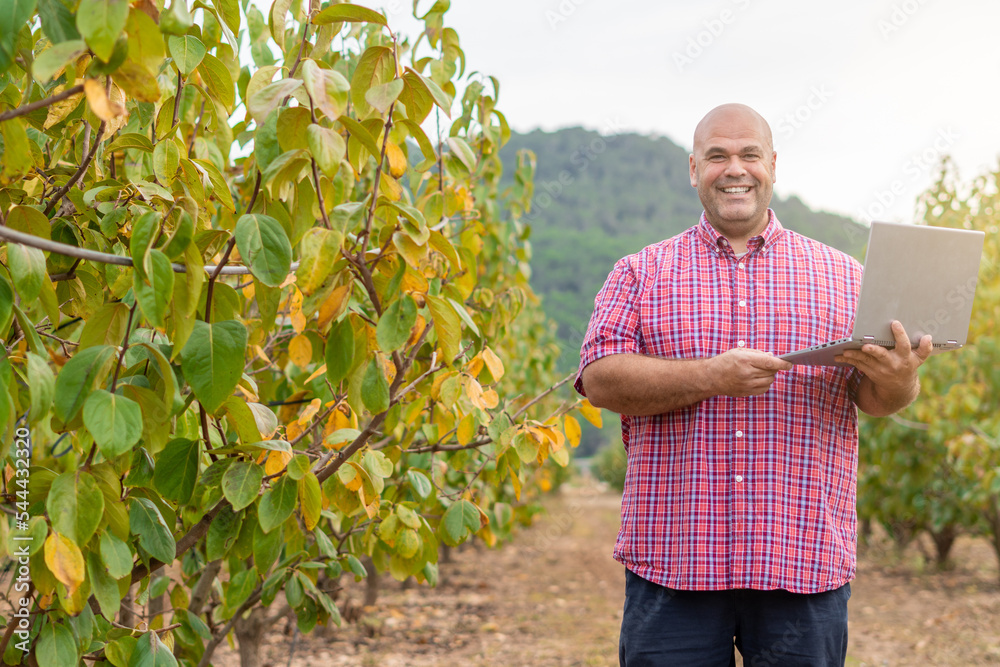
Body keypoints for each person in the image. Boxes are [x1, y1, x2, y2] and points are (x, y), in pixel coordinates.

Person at [575, 103, 932, 666]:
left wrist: (901, 379)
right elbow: (598, 379)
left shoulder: (845, 277)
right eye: (717, 156)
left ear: (773, 165)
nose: (734, 168)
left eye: (749, 155)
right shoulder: (640, 272)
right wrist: (712, 376)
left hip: (802, 561)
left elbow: (877, 398)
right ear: (694, 169)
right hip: (675, 563)